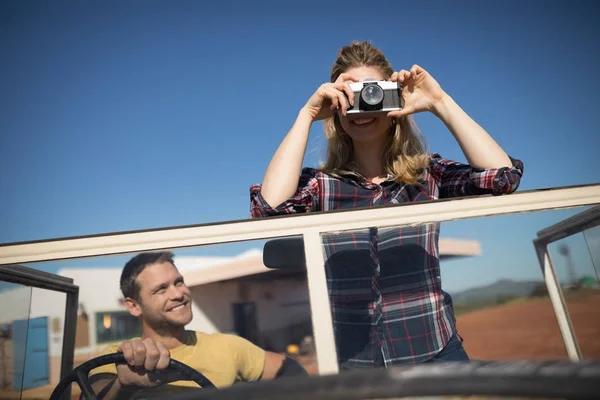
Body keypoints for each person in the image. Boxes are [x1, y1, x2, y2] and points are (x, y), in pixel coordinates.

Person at [249, 41, 524, 370]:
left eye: (374, 91)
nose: (363, 104)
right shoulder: (320, 186)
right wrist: (306, 115)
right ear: (335, 107)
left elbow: (502, 178)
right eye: (350, 94)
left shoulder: (428, 174)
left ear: (395, 98)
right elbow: (268, 209)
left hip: (436, 354)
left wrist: (439, 102)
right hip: (354, 366)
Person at [87, 251, 307, 399]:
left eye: (178, 282)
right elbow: (94, 393)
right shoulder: (118, 358)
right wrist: (124, 385)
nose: (178, 294)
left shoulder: (227, 346)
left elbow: (288, 370)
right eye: (161, 289)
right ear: (134, 306)